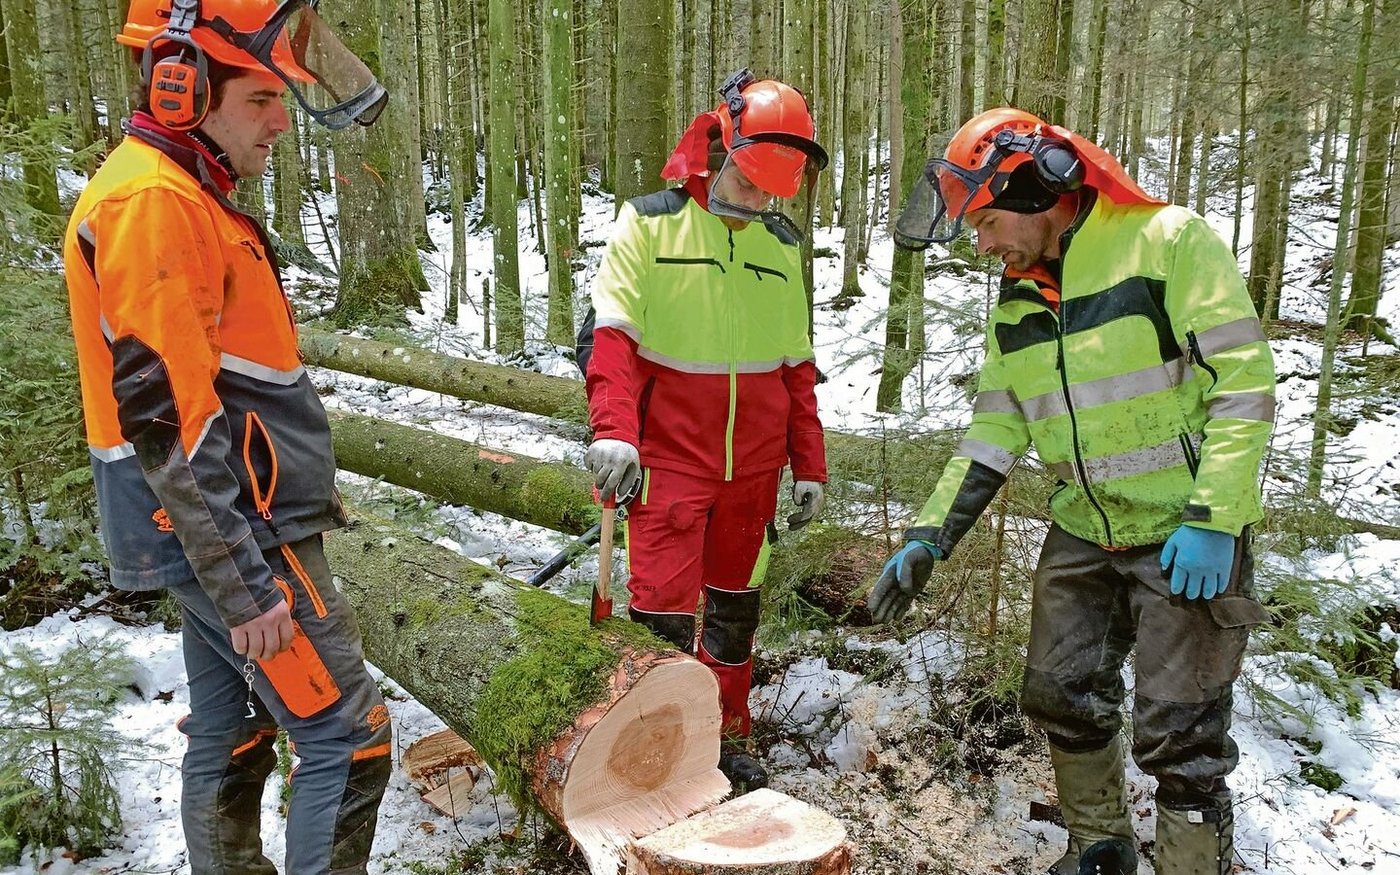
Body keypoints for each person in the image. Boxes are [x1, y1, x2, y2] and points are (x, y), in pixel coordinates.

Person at [876, 107, 1276, 875]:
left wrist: (1218, 516)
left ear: (1035, 188)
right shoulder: (1020, 298)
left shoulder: (1166, 241)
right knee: (1060, 690)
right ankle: (1100, 847)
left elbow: (1245, 381)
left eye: (988, 222)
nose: (985, 245)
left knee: (1181, 734)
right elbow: (994, 429)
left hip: (1185, 531)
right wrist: (930, 536)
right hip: (1085, 530)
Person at [63, 2, 390, 872]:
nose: (281, 120)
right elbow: (171, 418)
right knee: (348, 738)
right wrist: (245, 583)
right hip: (235, 528)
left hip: (220, 521)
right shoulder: (153, 203)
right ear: (181, 88)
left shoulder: (184, 196)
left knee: (236, 729)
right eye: (257, 98)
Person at [579, 69, 830, 791]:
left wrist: (807, 464)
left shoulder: (780, 246)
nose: (757, 202)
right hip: (668, 463)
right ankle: (656, 754)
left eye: (771, 191)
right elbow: (614, 340)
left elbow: (796, 369)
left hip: (751, 475)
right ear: (721, 150)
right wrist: (614, 430)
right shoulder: (649, 222)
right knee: (660, 618)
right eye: (749, 183)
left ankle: (724, 739)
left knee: (732, 618)